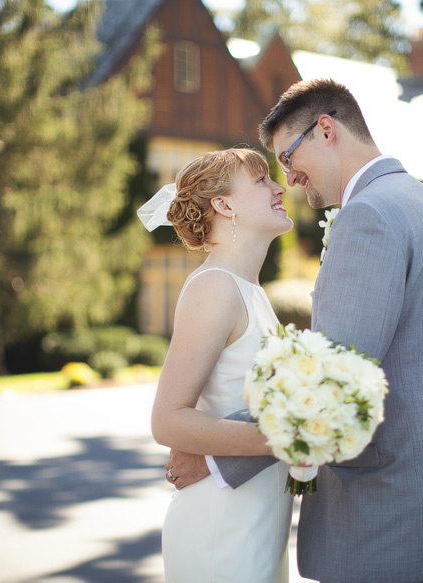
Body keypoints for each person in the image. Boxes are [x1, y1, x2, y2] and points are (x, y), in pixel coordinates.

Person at [169, 79, 423, 583]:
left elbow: (330, 381)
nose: (289, 178)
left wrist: (216, 460)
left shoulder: (367, 216)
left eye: (287, 157)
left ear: (326, 130)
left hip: (386, 519)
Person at [142, 149, 295, 582]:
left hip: (259, 523)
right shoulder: (214, 288)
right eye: (262, 180)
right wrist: (290, 437)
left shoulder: (251, 291)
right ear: (224, 205)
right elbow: (168, 420)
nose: (279, 187)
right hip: (220, 530)